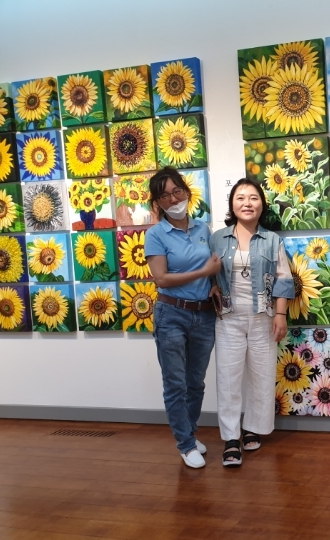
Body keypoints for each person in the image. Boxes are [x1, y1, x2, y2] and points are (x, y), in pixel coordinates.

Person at [209, 178, 295, 467]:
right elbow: (207, 272)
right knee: (228, 379)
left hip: (264, 318)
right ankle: (231, 438)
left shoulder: (272, 240)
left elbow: (284, 279)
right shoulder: (217, 238)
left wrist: (281, 315)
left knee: (261, 377)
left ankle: (253, 428)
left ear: (262, 204)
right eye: (241, 197)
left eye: (253, 197)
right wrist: (211, 286)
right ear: (232, 204)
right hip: (228, 319)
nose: (247, 203)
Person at [145, 167, 221, 469]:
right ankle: (186, 444)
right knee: (175, 383)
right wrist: (204, 272)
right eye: (164, 196)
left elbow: (214, 268)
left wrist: (213, 283)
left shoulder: (204, 229)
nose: (173, 199)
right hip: (171, 315)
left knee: (196, 383)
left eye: (177, 191)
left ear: (187, 192)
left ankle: (189, 432)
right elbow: (161, 279)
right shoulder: (155, 234)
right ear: (157, 203)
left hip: (204, 315)